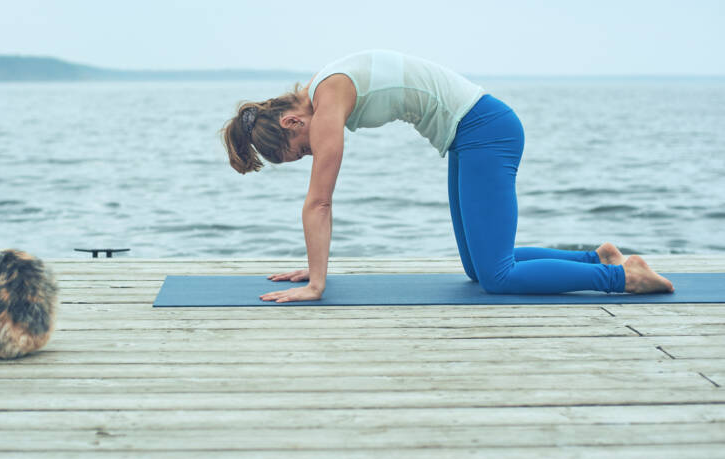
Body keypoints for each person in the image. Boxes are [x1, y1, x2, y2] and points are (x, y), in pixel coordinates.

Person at [221, 50, 674, 303]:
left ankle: (624, 278)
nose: (313, 151)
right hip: (472, 133)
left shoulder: (326, 103)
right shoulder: (324, 86)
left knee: (497, 277)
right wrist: (314, 267)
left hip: (485, 131)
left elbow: (319, 201)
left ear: (291, 124)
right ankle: (600, 259)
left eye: (303, 152)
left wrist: (317, 285)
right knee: (480, 269)